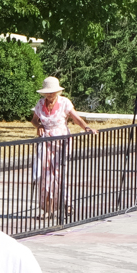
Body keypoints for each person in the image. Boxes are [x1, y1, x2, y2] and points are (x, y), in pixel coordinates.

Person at [29, 76, 92, 217]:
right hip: (45, 141)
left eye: (52, 92)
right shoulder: (40, 103)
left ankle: (67, 204)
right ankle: (48, 208)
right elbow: (34, 120)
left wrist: (87, 128)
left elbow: (76, 118)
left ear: (57, 92)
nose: (50, 95)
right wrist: (39, 126)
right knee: (45, 175)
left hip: (61, 142)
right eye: (47, 93)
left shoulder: (64, 102)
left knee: (58, 173)